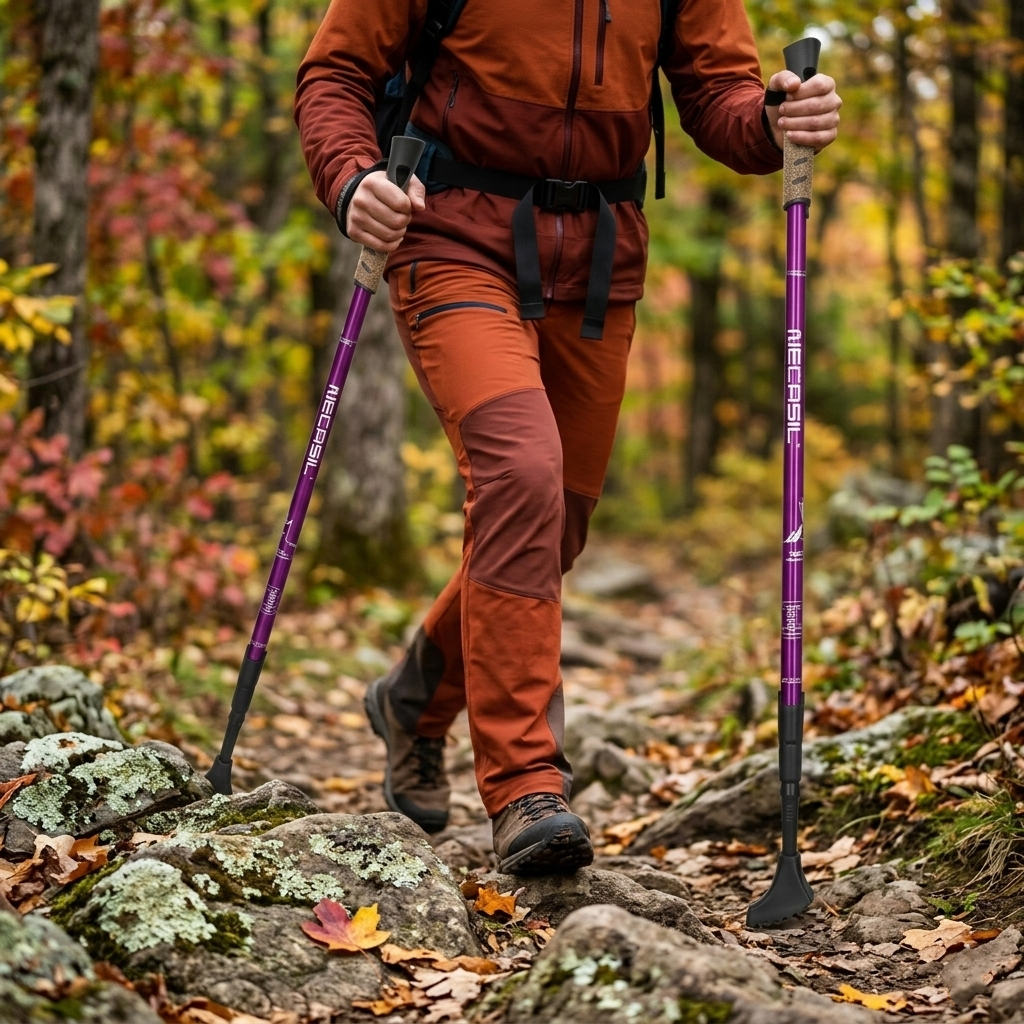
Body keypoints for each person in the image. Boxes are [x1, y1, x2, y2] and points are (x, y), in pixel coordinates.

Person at [295, 0, 840, 875]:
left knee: (556, 525)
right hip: (452, 236)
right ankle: (524, 786)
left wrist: (777, 119)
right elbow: (335, 73)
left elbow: (718, 95)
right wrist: (354, 178)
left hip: (599, 260)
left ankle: (415, 698)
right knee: (521, 470)